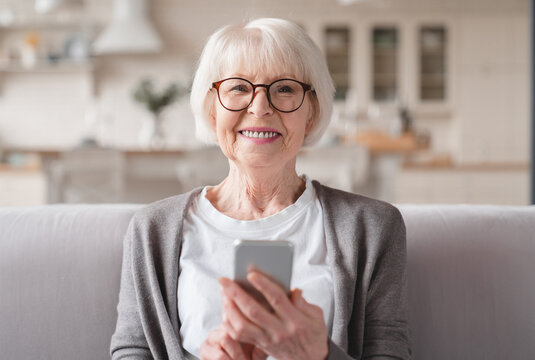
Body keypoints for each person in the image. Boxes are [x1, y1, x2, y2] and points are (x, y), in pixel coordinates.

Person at [110, 18, 411, 360]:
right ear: (212, 111)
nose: (259, 107)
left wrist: (320, 356)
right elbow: (131, 351)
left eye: (284, 88)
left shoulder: (373, 227)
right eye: (238, 88)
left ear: (311, 112)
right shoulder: (151, 230)